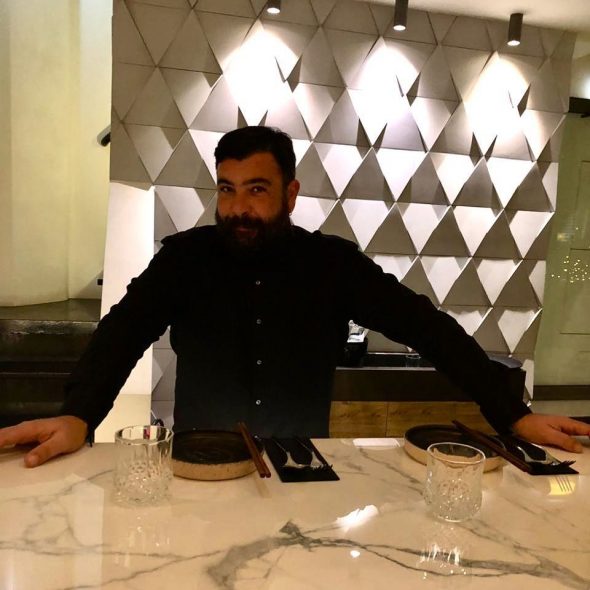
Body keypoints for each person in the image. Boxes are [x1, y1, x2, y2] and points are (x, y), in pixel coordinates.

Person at [1, 126, 589, 468]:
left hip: (300, 466)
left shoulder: (331, 264)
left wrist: (513, 414)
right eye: (227, 189)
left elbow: (428, 329)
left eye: (256, 190)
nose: (238, 208)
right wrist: (79, 414)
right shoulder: (184, 259)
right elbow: (121, 333)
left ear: (290, 193)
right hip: (202, 464)